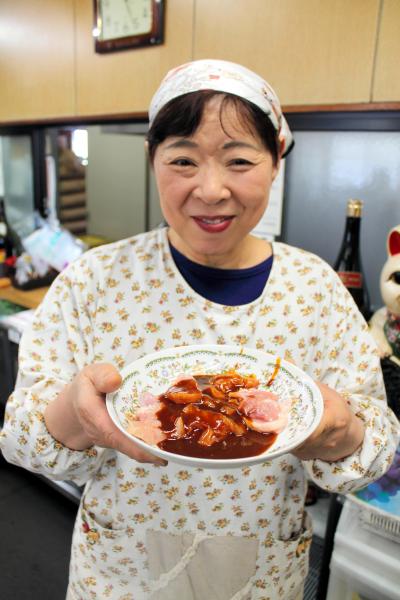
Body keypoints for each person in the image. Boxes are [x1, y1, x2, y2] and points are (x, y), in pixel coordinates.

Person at [1, 59, 399, 600]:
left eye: (238, 160)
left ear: (275, 159)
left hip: (261, 572)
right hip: (120, 571)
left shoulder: (316, 291)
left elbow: (375, 441)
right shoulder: (94, 281)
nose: (210, 191)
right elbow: (21, 438)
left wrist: (341, 432)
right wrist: (76, 412)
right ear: (152, 158)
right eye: (183, 159)